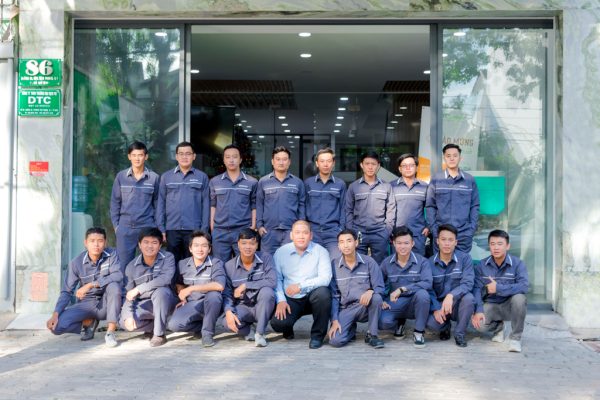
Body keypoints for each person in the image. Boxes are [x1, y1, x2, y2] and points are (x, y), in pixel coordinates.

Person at [46, 227, 122, 347]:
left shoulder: (112, 254)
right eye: (92, 241)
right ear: (85, 243)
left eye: (100, 241)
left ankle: (110, 332)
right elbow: (66, 291)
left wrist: (91, 284)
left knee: (114, 286)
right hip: (87, 303)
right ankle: (87, 324)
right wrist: (55, 314)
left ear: (105, 242)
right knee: (56, 327)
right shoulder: (76, 263)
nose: (96, 244)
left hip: (106, 303)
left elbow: (118, 275)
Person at [270, 220, 332, 349]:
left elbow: (325, 278)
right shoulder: (281, 252)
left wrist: (300, 286)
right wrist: (281, 300)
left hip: (312, 296)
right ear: (291, 235)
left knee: (323, 293)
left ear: (311, 235)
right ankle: (287, 328)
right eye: (297, 232)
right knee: (279, 324)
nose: (301, 236)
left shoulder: (321, 251)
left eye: (305, 233)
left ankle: (317, 336)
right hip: (290, 298)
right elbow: (277, 279)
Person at [471, 229, 529, 353]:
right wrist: (478, 310)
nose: (496, 247)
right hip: (491, 305)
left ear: (508, 246)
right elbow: (476, 289)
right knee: (478, 325)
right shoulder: (481, 265)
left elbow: (524, 286)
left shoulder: (518, 264)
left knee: (520, 298)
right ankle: (499, 327)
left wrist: (498, 288)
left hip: (510, 306)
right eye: (492, 244)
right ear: (489, 246)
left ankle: (515, 338)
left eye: (500, 244)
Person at [119, 228, 178, 347]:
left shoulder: (168, 258)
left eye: (154, 243)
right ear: (139, 245)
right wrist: (128, 316)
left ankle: (159, 334)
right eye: (146, 242)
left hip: (166, 301)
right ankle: (156, 325)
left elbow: (165, 279)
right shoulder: (131, 266)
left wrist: (139, 289)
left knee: (161, 292)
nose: (150, 246)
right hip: (146, 304)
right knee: (123, 323)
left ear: (160, 245)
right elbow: (129, 295)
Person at [328, 229, 385, 349]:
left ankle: (372, 335)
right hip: (346, 309)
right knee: (335, 341)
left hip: (365, 306)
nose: (346, 245)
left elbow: (380, 287)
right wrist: (334, 320)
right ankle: (350, 330)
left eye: (349, 241)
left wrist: (371, 291)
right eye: (342, 242)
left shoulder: (369, 262)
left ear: (356, 243)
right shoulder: (334, 265)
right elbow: (334, 296)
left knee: (376, 298)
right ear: (338, 246)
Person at [167, 231, 225, 347]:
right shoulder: (182, 264)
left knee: (214, 296)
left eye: (204, 246)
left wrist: (191, 289)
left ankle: (207, 334)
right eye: (196, 245)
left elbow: (220, 285)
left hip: (211, 303)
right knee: (174, 325)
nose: (200, 249)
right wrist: (182, 295)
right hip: (192, 303)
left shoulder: (216, 263)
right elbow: (179, 283)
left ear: (209, 249)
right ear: (190, 248)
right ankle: (203, 326)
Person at [379, 226, 432, 348]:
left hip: (415, 302)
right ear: (393, 243)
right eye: (399, 243)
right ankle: (399, 323)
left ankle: (419, 332)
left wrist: (402, 289)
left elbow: (427, 283)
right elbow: (378, 283)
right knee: (382, 322)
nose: (402, 246)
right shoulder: (386, 263)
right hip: (395, 303)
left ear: (412, 243)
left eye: (406, 243)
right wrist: (381, 299)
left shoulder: (422, 262)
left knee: (423, 294)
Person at [156, 142, 209, 263]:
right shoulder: (166, 177)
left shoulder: (202, 177)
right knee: (171, 263)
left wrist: (204, 230)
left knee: (192, 263)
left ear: (194, 156)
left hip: (194, 229)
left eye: (188, 154)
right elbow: (161, 204)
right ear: (176, 156)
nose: (184, 157)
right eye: (181, 154)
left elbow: (206, 205)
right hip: (172, 229)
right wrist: (161, 228)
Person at [222, 228, 277, 347]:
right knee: (227, 322)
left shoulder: (266, 258)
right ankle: (248, 331)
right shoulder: (228, 266)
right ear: (238, 244)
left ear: (257, 245)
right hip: (243, 307)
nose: (248, 247)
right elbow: (227, 293)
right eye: (244, 243)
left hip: (263, 305)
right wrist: (228, 311)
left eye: (252, 243)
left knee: (267, 291)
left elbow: (272, 281)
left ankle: (260, 333)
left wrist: (246, 285)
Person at [110, 141, 160, 268]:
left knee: (149, 264)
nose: (137, 158)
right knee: (123, 265)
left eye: (140, 155)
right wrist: (117, 226)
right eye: (134, 155)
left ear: (146, 157)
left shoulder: (154, 178)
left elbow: (158, 204)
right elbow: (115, 202)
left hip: (147, 226)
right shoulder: (121, 177)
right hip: (125, 228)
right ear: (129, 157)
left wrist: (156, 226)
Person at [426, 224, 475, 347]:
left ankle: (460, 333)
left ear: (456, 242)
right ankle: (445, 326)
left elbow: (468, 283)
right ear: (437, 241)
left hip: (457, 303)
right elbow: (428, 289)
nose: (447, 243)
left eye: (450, 240)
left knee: (469, 298)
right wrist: (435, 309)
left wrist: (451, 295)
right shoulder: (429, 263)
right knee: (431, 324)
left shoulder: (465, 259)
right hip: (439, 305)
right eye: (443, 239)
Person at [426, 143, 479, 253]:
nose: (452, 158)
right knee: (440, 263)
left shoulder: (469, 180)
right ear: (444, 158)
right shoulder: (436, 179)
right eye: (448, 156)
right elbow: (430, 206)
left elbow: (474, 206)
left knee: (462, 262)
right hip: (441, 234)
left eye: (455, 155)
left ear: (460, 157)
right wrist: (435, 230)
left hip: (463, 234)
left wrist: (471, 229)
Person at [209, 144, 258, 262]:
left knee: (243, 264)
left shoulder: (252, 182)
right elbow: (213, 205)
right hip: (220, 231)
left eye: (235, 157)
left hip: (243, 231)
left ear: (240, 159)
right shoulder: (215, 181)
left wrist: (253, 226)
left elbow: (254, 205)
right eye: (228, 157)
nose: (231, 160)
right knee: (219, 265)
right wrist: (212, 226)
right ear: (223, 160)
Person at [345, 151, 395, 263]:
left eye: (373, 164)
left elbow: (391, 210)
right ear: (361, 165)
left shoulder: (386, 186)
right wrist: (351, 231)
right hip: (359, 232)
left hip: (380, 232)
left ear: (378, 166)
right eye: (367, 164)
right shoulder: (353, 187)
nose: (370, 167)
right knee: (358, 263)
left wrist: (387, 231)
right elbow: (348, 210)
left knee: (380, 264)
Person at [256, 146, 306, 254]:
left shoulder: (297, 182)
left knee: (289, 262)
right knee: (267, 261)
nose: (281, 162)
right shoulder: (263, 182)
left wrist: (300, 227)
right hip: (268, 231)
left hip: (290, 232)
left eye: (284, 159)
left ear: (289, 162)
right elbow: (259, 204)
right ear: (272, 161)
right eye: (278, 159)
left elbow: (302, 205)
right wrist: (259, 226)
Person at [304, 148, 346, 258]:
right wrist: (305, 229)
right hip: (313, 232)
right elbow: (303, 206)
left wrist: (340, 229)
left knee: (336, 261)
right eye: (322, 161)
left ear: (333, 163)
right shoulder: (308, 183)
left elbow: (343, 208)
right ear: (317, 163)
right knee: (312, 262)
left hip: (333, 232)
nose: (325, 164)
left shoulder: (340, 184)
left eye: (329, 161)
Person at [392, 153, 429, 256]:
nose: (408, 168)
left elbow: (432, 208)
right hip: (397, 234)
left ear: (416, 168)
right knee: (397, 263)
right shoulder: (391, 186)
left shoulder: (424, 187)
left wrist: (428, 226)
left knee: (418, 262)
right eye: (404, 166)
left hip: (418, 234)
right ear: (400, 169)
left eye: (411, 165)